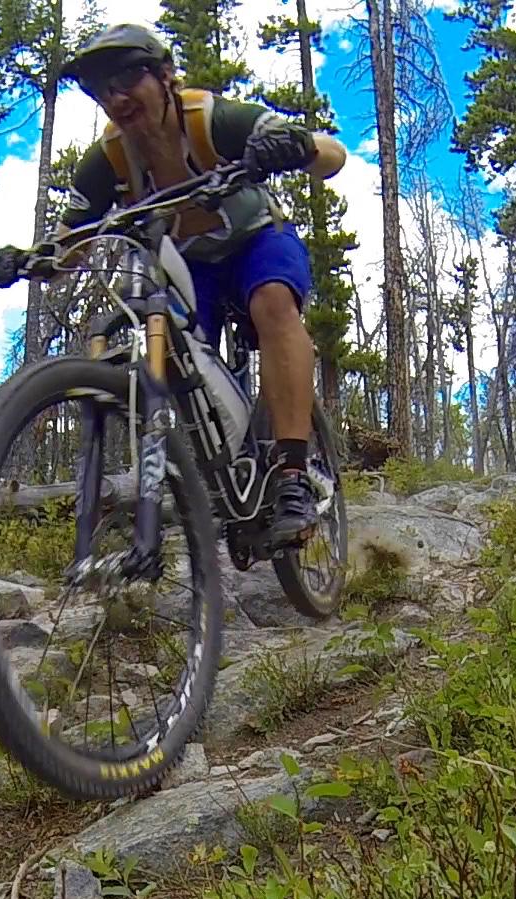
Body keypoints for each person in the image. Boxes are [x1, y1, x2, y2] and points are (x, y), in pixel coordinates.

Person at [44, 23, 348, 546]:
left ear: (166, 77)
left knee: (272, 302)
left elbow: (331, 156)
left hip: (257, 240)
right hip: (192, 266)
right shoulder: (109, 160)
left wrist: (294, 146)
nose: (115, 97)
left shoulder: (214, 120)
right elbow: (71, 241)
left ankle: (295, 475)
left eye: (125, 78)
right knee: (177, 353)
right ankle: (218, 480)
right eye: (100, 88)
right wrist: (34, 260)